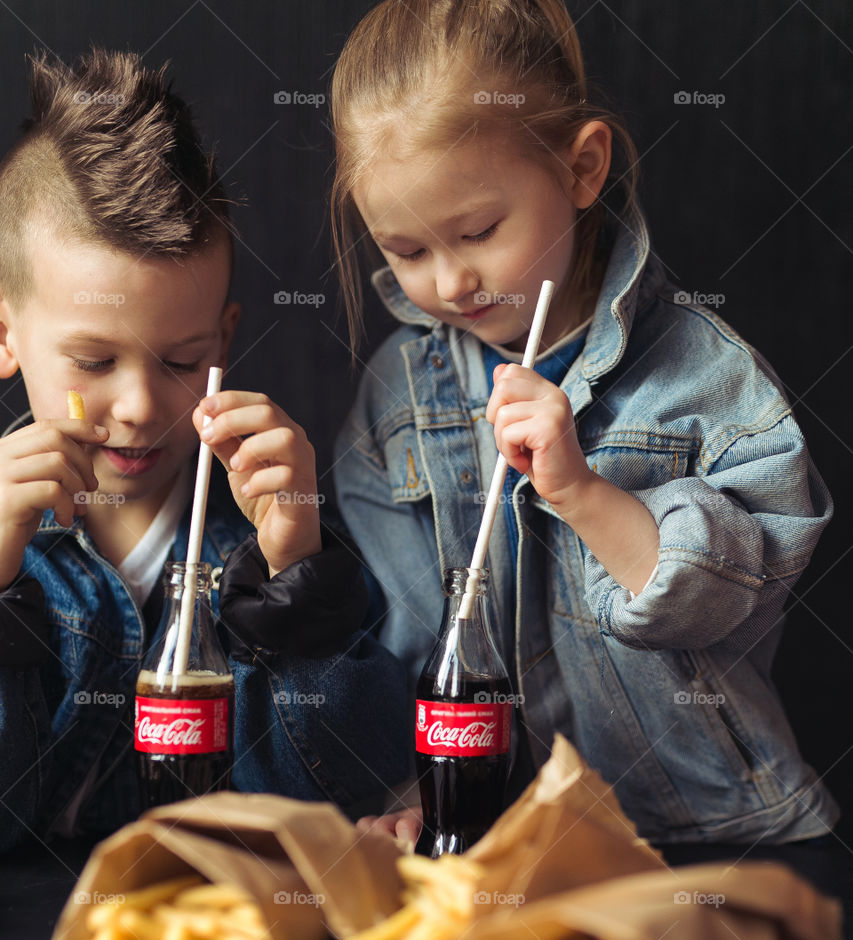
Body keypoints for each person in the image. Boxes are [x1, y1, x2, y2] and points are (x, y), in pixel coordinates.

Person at [325, 0, 838, 847]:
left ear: (582, 168)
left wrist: (580, 490)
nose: (451, 283)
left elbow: (725, 605)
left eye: (479, 231)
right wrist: (416, 793)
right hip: (497, 840)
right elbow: (409, 640)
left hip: (704, 836)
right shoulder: (396, 398)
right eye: (406, 252)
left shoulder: (704, 377)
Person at [0, 49, 407, 853]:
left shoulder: (260, 539)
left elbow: (342, 807)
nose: (144, 406)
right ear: (6, 336)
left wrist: (294, 585)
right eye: (92, 362)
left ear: (224, 338)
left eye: (181, 362)